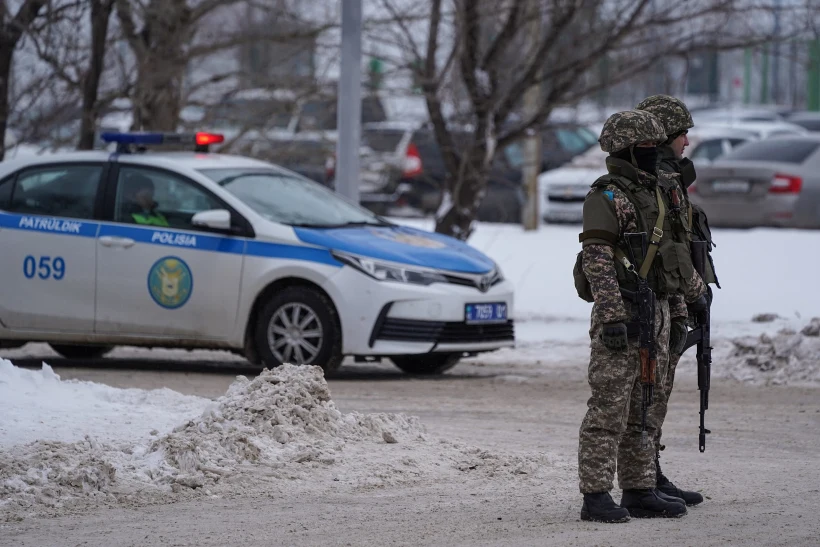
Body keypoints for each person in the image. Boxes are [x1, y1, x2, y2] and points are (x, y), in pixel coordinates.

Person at [575, 110, 707, 523]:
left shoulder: (655, 192)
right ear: (629, 150)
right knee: (609, 407)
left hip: (660, 311)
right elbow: (597, 258)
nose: (655, 154)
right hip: (626, 315)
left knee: (647, 408)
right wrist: (613, 318)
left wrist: (682, 310)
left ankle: (638, 488)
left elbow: (673, 262)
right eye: (647, 148)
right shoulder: (608, 195)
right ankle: (595, 495)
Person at [636, 94, 720, 507]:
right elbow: (672, 246)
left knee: (658, 393)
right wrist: (695, 291)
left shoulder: (669, 179)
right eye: (683, 132)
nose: (688, 141)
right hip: (656, 295)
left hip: (673, 295)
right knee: (646, 394)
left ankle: (650, 473)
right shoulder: (654, 182)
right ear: (666, 134)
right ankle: (640, 480)